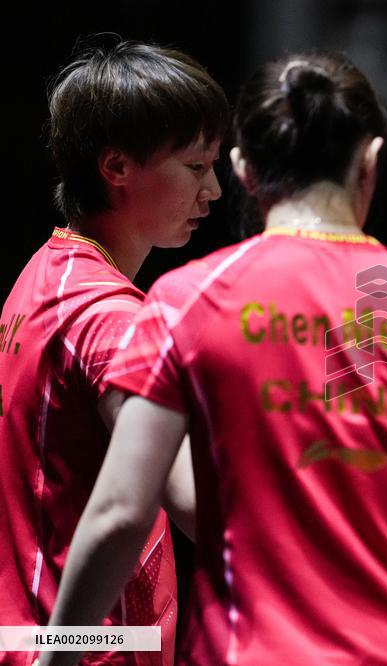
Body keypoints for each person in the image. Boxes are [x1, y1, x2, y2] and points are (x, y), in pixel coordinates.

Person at [41, 52, 387, 666]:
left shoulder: (181, 303)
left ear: (245, 170)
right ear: (370, 161)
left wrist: (55, 656)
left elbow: (120, 511)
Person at [0, 40, 227, 666]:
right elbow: (195, 504)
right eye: (194, 167)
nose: (213, 191)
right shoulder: (110, 319)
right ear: (117, 167)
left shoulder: (44, 273)